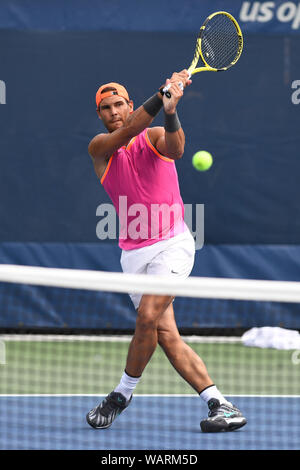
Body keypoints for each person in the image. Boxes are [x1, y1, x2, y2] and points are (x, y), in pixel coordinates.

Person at [86, 71, 247, 433]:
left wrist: (170, 111)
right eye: (105, 108)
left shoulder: (155, 134)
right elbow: (124, 134)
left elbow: (176, 150)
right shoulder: (101, 148)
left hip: (172, 244)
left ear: (130, 105)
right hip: (133, 255)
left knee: (146, 317)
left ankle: (121, 394)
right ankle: (219, 404)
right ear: (100, 115)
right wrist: (161, 96)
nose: (113, 112)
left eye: (119, 105)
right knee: (165, 334)